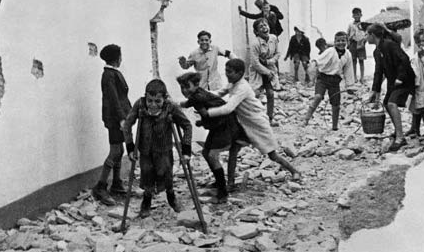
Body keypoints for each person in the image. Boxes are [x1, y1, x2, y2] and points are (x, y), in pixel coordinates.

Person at [198, 59, 301, 191]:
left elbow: (228, 108)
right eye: (226, 71)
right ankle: (230, 183)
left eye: (229, 72)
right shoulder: (233, 84)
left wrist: (208, 113)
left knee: (272, 155)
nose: (227, 74)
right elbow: (218, 93)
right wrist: (199, 93)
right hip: (243, 124)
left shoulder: (242, 87)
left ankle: (294, 171)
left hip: (258, 124)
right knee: (233, 151)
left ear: (240, 73)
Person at [123, 79, 192, 218]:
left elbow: (187, 126)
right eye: (150, 100)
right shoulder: (140, 105)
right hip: (146, 150)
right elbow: (127, 125)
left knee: (166, 174)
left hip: (163, 149)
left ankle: (171, 197)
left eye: (157, 101)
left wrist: (186, 150)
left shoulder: (170, 107)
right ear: (145, 97)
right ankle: (146, 201)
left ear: (164, 99)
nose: (153, 105)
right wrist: (130, 148)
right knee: (146, 173)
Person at [177, 72, 239, 202]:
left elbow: (205, 114)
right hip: (218, 124)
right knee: (206, 152)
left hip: (224, 125)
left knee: (212, 155)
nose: (184, 90)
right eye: (182, 87)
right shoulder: (197, 94)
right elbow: (190, 105)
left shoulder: (197, 97)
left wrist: (202, 122)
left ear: (196, 85)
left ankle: (223, 192)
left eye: (186, 87)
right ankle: (219, 182)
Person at [92, 44, 133, 206]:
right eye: (120, 56)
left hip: (119, 118)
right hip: (115, 119)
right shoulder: (109, 75)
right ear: (117, 58)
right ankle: (100, 187)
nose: (121, 58)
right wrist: (122, 119)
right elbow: (114, 98)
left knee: (120, 149)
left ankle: (116, 183)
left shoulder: (113, 73)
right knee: (115, 151)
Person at [366, 23, 415, 151]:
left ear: (372, 35)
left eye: (367, 34)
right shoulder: (377, 51)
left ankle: (400, 138)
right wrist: (374, 90)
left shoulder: (389, 45)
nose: (365, 37)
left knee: (392, 103)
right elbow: (378, 72)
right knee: (387, 103)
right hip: (393, 82)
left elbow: (404, 59)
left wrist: (400, 77)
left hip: (404, 80)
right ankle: (397, 131)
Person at [303, 31, 356, 131]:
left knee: (336, 104)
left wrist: (350, 86)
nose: (341, 43)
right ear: (334, 42)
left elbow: (348, 70)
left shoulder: (348, 54)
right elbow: (318, 60)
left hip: (335, 81)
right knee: (318, 97)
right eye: (338, 41)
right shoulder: (330, 51)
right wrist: (312, 69)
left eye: (343, 41)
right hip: (323, 78)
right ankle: (306, 119)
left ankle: (334, 126)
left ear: (347, 42)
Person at [248, 18, 280, 126]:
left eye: (265, 25)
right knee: (255, 95)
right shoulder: (255, 44)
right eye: (261, 27)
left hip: (270, 69)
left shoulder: (274, 38)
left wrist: (269, 61)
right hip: (258, 71)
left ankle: (270, 118)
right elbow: (255, 63)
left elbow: (277, 53)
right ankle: (251, 120)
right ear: (256, 31)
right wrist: (266, 71)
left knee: (270, 94)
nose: (264, 28)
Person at [347, 7, 368, 83]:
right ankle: (354, 77)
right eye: (355, 14)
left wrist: (364, 41)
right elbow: (347, 34)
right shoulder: (350, 25)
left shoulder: (363, 24)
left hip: (361, 43)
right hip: (353, 43)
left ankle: (362, 77)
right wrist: (350, 39)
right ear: (352, 16)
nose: (356, 16)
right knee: (353, 61)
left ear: (361, 15)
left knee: (361, 61)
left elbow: (366, 34)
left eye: (358, 14)